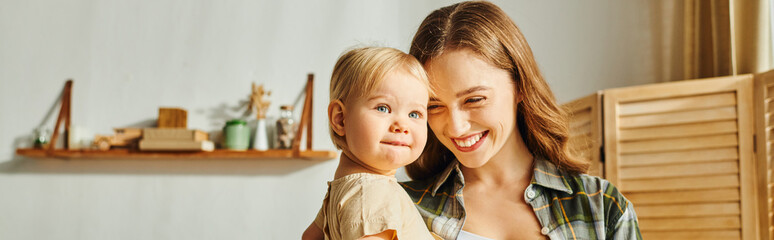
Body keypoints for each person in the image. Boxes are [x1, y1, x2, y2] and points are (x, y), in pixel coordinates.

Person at [399, 1, 642, 239]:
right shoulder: (403, 206)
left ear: (520, 87)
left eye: (474, 100)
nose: (456, 126)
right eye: (434, 106)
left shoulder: (602, 206)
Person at [301, 47, 439, 240]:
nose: (402, 125)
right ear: (340, 119)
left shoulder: (344, 191)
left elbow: (309, 237)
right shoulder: (373, 192)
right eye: (383, 108)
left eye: (414, 114)